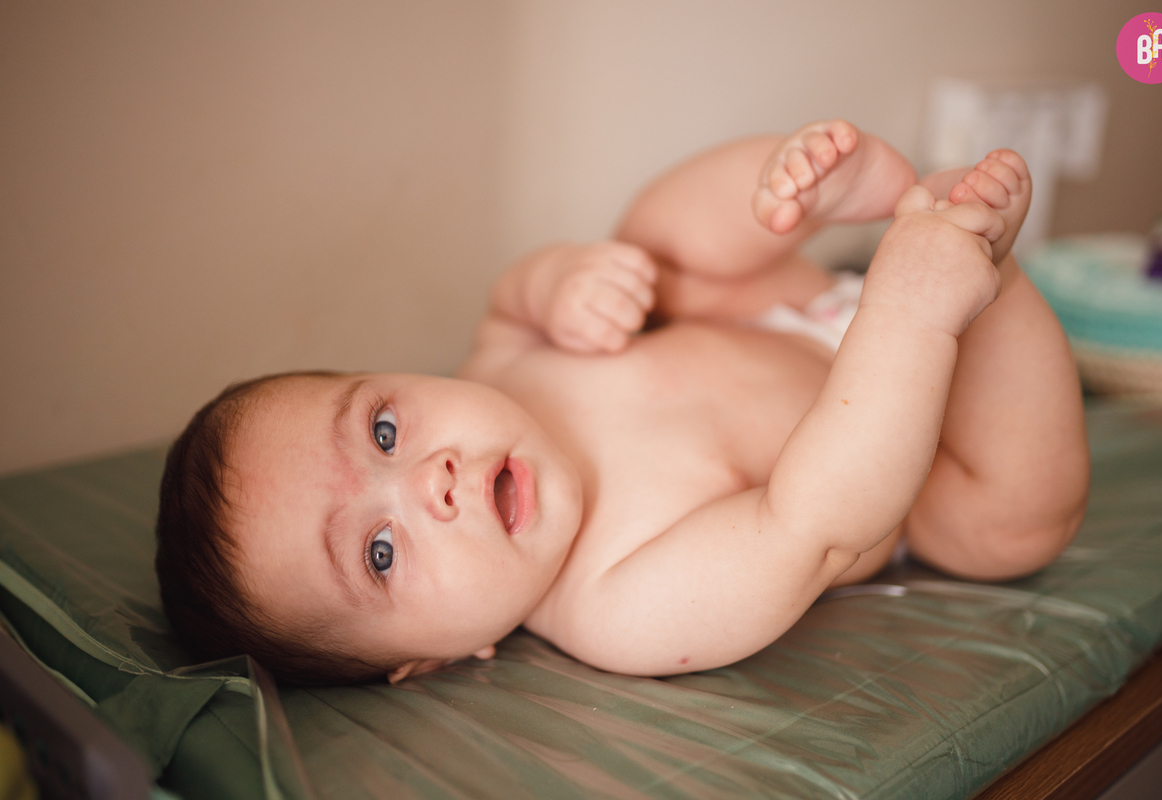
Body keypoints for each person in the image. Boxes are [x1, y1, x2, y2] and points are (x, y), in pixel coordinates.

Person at [155, 120, 1090, 685]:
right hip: (919, 435)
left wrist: (562, 280)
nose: (426, 480)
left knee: (644, 250)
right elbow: (812, 523)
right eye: (381, 551)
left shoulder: (503, 365)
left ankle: (811, 186)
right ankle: (982, 277)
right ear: (429, 661)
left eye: (384, 430)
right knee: (1006, 528)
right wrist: (908, 318)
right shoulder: (618, 608)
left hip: (784, 306)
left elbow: (513, 295)